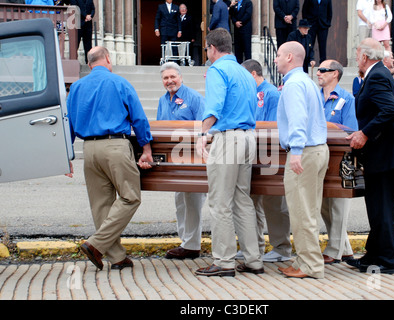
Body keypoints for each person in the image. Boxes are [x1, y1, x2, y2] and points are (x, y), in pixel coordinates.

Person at [67, 47, 153, 271]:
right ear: (107, 59)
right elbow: (138, 118)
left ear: (90, 62)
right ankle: (95, 244)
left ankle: (116, 258)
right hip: (115, 145)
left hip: (89, 149)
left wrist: (67, 155)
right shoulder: (119, 83)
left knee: (100, 204)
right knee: (131, 197)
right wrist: (146, 148)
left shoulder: (76, 87)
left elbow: (68, 123)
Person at [195, 28, 263, 277]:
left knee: (220, 201)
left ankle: (224, 261)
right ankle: (254, 259)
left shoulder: (217, 70)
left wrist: (203, 135)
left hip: (228, 139)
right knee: (242, 200)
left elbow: (214, 106)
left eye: (206, 49)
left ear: (211, 48)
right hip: (247, 137)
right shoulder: (244, 73)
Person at [346, 38, 394, 274]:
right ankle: (373, 255)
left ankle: (388, 260)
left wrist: (365, 133)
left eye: (357, 53)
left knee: (382, 208)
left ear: (365, 56)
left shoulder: (376, 75)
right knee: (377, 208)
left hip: (387, 155)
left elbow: (390, 109)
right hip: (383, 155)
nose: (356, 57)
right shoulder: (377, 74)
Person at [275, 41, 329, 279]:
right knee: (309, 210)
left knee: (301, 211)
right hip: (316, 149)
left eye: (277, 55)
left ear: (288, 57)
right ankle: (304, 260)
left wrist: (295, 150)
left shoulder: (294, 84)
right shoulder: (305, 81)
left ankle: (310, 266)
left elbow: (298, 119)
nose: (275, 59)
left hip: (304, 152)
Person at [240, 59, 292, 263]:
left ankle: (282, 248)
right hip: (252, 153)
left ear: (253, 74)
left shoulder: (271, 93)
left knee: (274, 203)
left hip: (270, 153)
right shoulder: (248, 93)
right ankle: (254, 246)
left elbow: (273, 125)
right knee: (250, 202)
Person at [156, 62, 206, 259]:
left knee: (193, 201)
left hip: (194, 159)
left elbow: (204, 127)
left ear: (181, 77)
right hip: (174, 160)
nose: (169, 81)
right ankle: (186, 241)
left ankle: (192, 245)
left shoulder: (194, 98)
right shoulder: (162, 100)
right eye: (166, 78)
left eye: (172, 77)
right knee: (181, 201)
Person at [316, 59, 357, 264]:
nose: (318, 73)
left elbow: (350, 129)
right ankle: (345, 247)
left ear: (335, 74)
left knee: (339, 205)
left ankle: (334, 249)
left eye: (324, 70)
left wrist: (326, 127)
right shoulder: (314, 96)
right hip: (319, 155)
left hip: (341, 157)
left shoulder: (346, 98)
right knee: (324, 204)